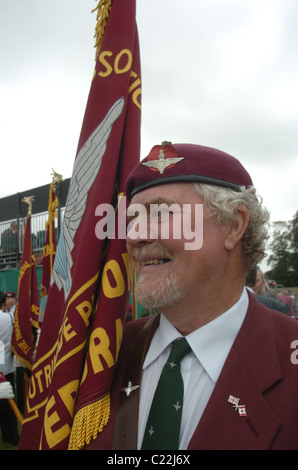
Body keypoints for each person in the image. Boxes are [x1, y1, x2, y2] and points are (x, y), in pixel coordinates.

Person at [86, 142, 298, 450]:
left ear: (233, 226)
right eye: (131, 220)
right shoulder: (100, 354)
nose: (134, 236)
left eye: (160, 214)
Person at [0, 291, 20, 445]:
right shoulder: (9, 318)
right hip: (6, 368)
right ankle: (11, 437)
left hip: (5, 368)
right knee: (8, 408)